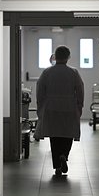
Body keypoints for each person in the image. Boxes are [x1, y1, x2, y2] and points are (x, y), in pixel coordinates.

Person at [35, 45, 84, 176]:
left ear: (55, 57)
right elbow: (80, 89)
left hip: (51, 107)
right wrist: (79, 105)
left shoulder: (47, 72)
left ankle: (57, 166)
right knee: (68, 134)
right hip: (69, 107)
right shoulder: (73, 72)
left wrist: (41, 106)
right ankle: (64, 155)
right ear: (68, 57)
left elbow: (40, 90)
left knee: (54, 136)